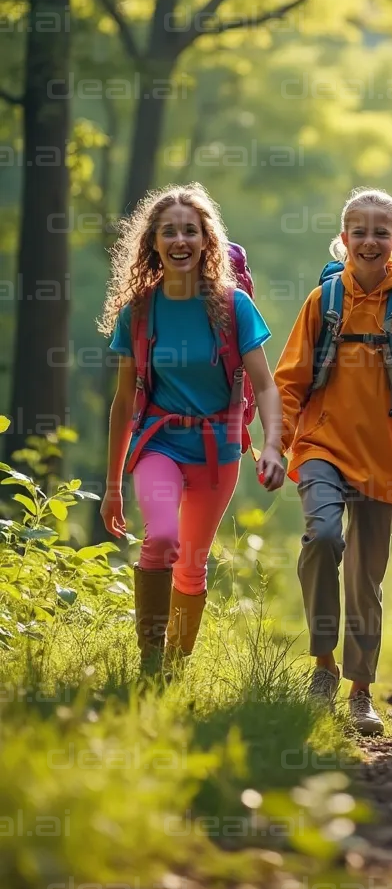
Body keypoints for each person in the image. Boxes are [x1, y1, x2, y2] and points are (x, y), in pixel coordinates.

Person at [275, 188, 392, 736]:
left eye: (380, 232)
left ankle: (361, 692)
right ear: (344, 238)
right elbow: (290, 381)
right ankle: (323, 666)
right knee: (323, 537)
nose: (369, 240)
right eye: (358, 230)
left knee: (365, 579)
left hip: (386, 457)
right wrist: (277, 446)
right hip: (322, 447)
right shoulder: (323, 301)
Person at [98, 183, 285, 677]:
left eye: (190, 230)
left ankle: (175, 667)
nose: (180, 240)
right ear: (153, 244)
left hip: (217, 450)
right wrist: (112, 485)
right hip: (158, 442)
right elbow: (122, 402)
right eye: (169, 232)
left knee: (192, 563)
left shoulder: (232, 307)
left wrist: (271, 444)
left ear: (207, 241)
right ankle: (150, 661)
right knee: (161, 537)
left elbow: (265, 386)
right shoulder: (138, 311)